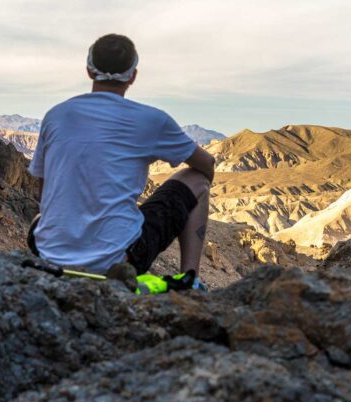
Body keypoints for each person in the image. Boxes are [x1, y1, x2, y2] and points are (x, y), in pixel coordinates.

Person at [28, 34, 214, 288]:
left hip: (50, 256)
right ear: (132, 75)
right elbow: (206, 165)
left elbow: (43, 192)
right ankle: (191, 281)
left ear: (89, 71)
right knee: (197, 181)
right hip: (120, 261)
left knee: (40, 220)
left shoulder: (56, 115)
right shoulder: (152, 120)